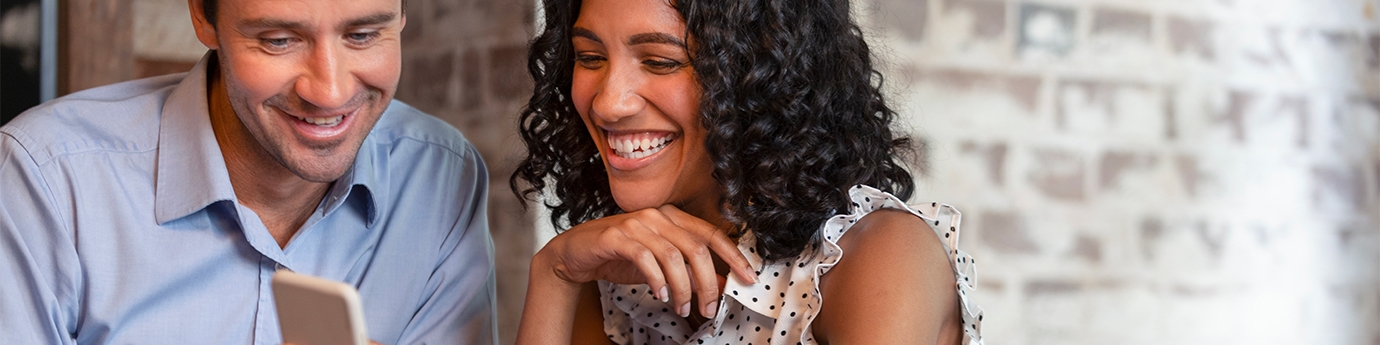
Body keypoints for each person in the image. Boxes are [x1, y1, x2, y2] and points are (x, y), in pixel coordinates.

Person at [0, 0, 497, 343]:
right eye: (279, 40)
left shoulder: (441, 175)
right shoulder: (46, 179)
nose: (329, 91)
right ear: (203, 17)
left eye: (364, 35)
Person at [510, 0, 985, 344]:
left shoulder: (879, 255)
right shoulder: (615, 277)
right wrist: (554, 274)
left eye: (660, 61)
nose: (610, 102)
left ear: (762, 76)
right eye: (590, 58)